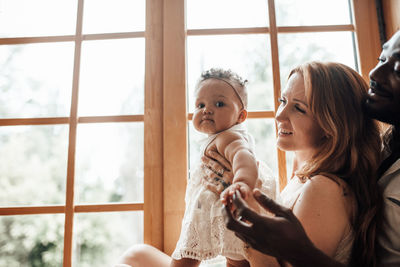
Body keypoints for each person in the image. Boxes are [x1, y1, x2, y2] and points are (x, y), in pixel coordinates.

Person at [221, 30, 400, 267]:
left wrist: (242, 226)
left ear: (331, 126)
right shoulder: (308, 175)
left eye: (300, 108)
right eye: (282, 101)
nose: (279, 115)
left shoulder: (324, 188)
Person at [115, 68, 275, 267]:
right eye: (200, 105)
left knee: (186, 258)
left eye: (219, 104)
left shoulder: (230, 137)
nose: (207, 110)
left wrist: (241, 184)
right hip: (218, 212)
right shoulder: (220, 138)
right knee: (235, 258)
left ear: (241, 116)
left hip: (225, 207)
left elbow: (244, 158)